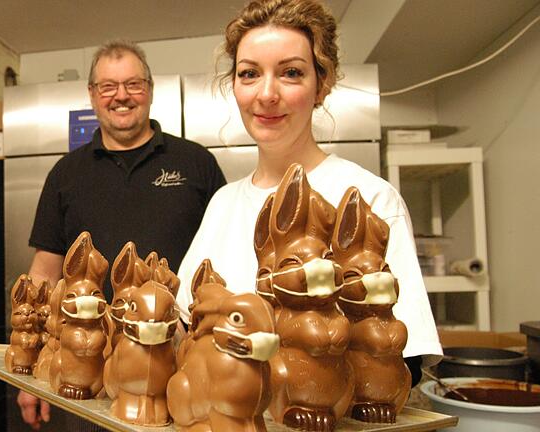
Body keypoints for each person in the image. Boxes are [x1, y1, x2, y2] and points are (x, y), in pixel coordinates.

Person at [175, 0, 442, 386]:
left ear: (323, 85)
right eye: (249, 73)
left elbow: (404, 362)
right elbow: (188, 329)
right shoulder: (223, 204)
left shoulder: (369, 199)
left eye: (291, 73)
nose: (266, 94)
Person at [19, 40, 226, 430]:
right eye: (108, 86)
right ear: (93, 96)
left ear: (149, 89)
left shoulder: (197, 163)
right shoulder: (65, 175)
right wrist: (29, 371)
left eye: (133, 84)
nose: (121, 96)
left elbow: (223, 261)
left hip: (181, 361)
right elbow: (44, 273)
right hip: (85, 368)